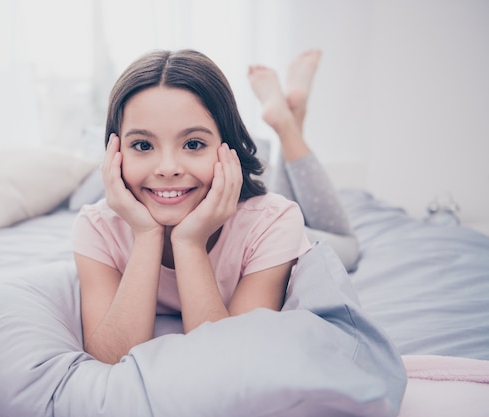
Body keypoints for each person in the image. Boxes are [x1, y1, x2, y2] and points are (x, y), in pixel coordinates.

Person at [72, 49, 311, 364]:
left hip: (283, 226)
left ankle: (290, 125)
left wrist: (189, 243)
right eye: (143, 145)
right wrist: (146, 235)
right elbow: (110, 359)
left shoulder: (274, 222)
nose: (167, 168)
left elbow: (226, 365)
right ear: (115, 153)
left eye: (193, 144)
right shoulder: (96, 227)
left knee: (340, 238)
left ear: (228, 148)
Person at [248, 49, 360, 271]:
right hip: (270, 232)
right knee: (348, 244)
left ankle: (290, 122)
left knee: (278, 211)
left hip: (263, 221)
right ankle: (290, 124)